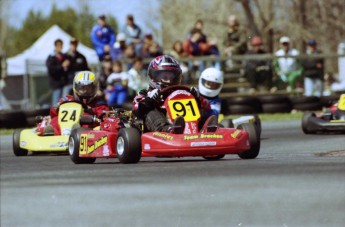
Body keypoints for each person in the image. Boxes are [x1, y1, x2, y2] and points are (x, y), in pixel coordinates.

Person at [132, 55, 216, 134]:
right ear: (153, 76)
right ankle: (169, 129)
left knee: (199, 109)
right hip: (158, 131)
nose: (169, 81)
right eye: (165, 77)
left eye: (172, 78)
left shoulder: (182, 93)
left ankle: (204, 129)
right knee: (150, 112)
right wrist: (149, 100)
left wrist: (196, 98)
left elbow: (206, 105)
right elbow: (136, 107)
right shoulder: (145, 93)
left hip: (183, 126)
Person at [37, 71, 109, 136]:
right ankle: (51, 131)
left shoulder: (99, 103)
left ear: (94, 88)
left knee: (89, 124)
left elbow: (104, 117)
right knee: (56, 119)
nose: (85, 91)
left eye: (88, 88)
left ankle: (76, 131)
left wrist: (91, 111)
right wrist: (56, 108)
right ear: (76, 87)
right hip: (63, 127)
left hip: (87, 130)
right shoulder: (67, 99)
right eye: (82, 88)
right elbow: (53, 113)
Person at [46, 39, 70, 105]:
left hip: (64, 82)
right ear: (56, 46)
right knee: (56, 102)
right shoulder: (51, 57)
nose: (60, 47)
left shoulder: (64, 56)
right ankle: (55, 114)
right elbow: (51, 69)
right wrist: (62, 66)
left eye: (61, 45)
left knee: (66, 100)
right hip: (56, 83)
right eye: (59, 45)